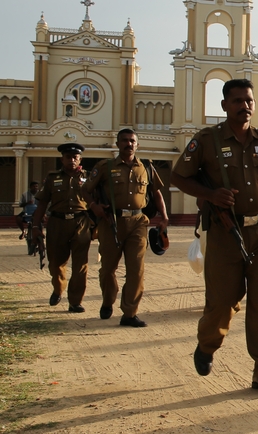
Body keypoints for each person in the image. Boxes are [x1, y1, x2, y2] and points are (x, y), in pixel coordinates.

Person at [171, 79, 258, 395]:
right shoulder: (207, 140)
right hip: (226, 232)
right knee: (223, 301)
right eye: (238, 100)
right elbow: (179, 176)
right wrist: (211, 194)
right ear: (225, 105)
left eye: (249, 100)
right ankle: (207, 345)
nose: (245, 106)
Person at [81, 129, 169, 327]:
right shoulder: (104, 167)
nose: (129, 144)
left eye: (132, 141)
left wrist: (164, 216)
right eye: (125, 141)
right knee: (108, 269)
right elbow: (85, 190)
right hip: (111, 223)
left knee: (136, 270)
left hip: (138, 222)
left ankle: (129, 313)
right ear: (118, 143)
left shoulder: (146, 167)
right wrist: (94, 206)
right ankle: (107, 300)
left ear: (137, 144)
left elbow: (156, 194)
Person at [30, 143, 93, 312]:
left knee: (81, 265)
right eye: (68, 157)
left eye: (75, 157)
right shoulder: (52, 178)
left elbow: (97, 200)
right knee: (56, 263)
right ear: (62, 159)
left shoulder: (89, 177)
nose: (72, 160)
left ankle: (75, 301)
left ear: (80, 159)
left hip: (81, 222)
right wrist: (36, 226)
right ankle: (58, 288)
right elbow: (42, 203)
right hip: (57, 223)